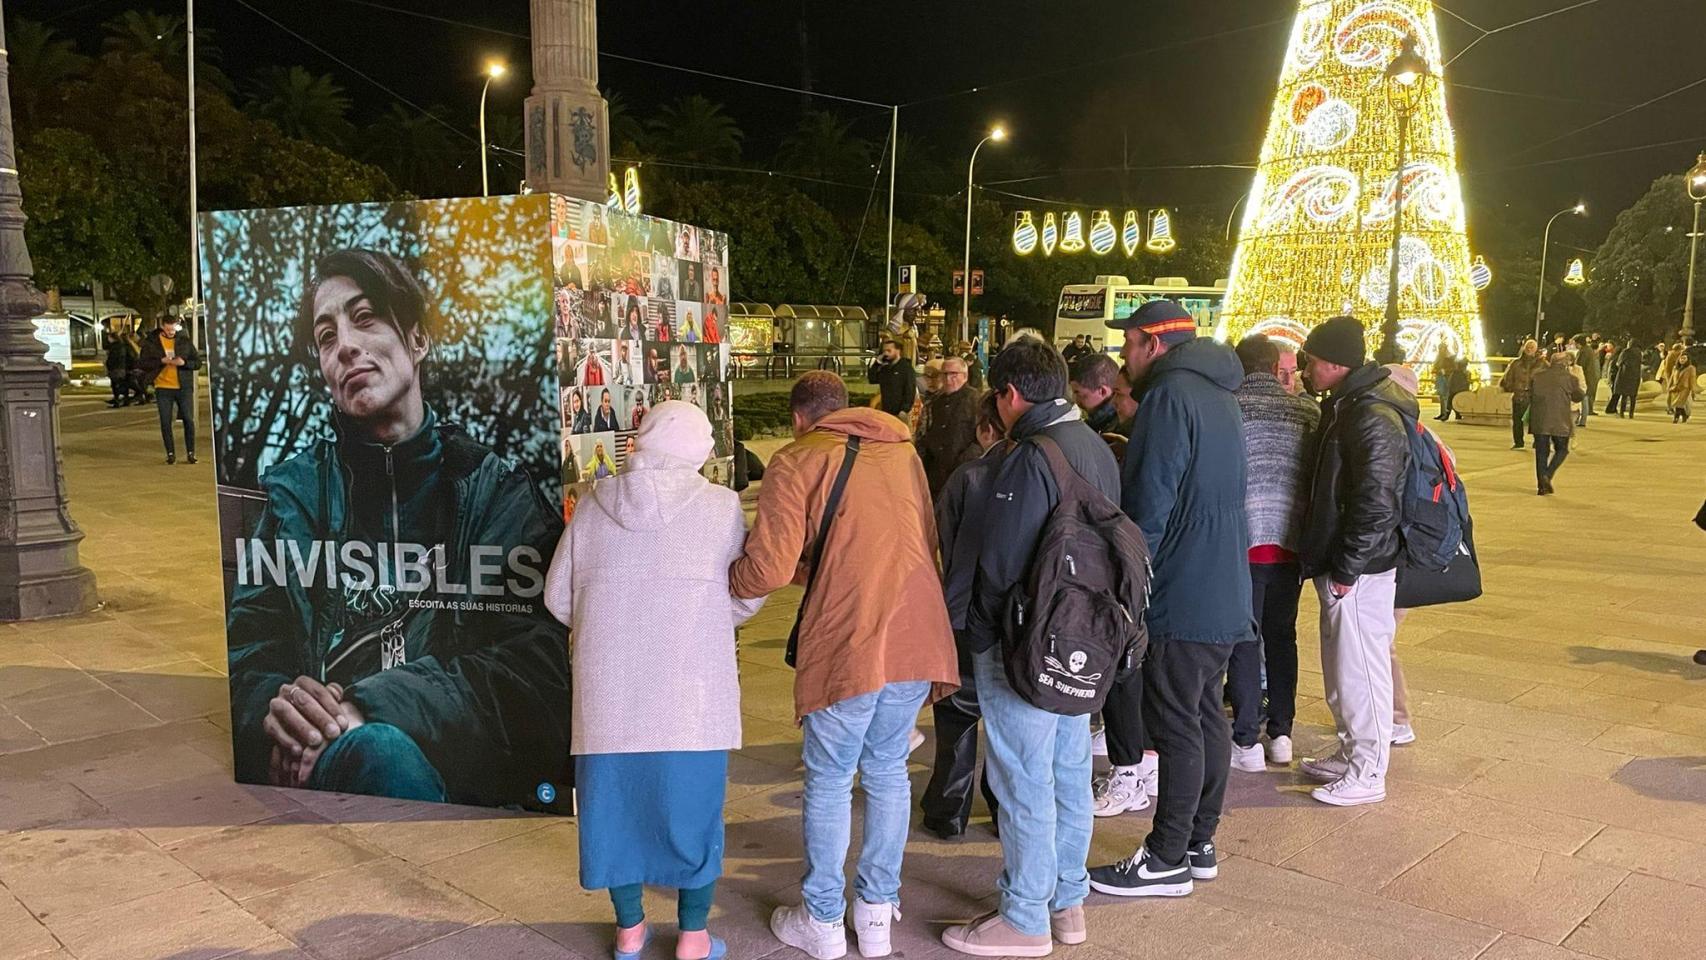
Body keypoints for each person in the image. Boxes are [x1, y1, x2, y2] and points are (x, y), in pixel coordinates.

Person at [226, 248, 570, 806]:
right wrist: (281, 711)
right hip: (325, 755)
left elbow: (537, 663)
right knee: (372, 753)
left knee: (381, 751)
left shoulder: (493, 490)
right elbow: (251, 647)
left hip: (458, 759)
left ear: (417, 340)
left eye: (364, 318)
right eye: (326, 337)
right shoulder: (297, 495)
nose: (345, 346)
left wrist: (372, 704)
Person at [730, 372, 957, 960]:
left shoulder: (797, 458)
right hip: (916, 631)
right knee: (887, 773)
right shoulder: (902, 451)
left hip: (849, 636)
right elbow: (913, 539)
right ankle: (877, 915)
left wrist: (726, 582)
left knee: (831, 779)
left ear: (801, 417)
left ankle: (824, 919)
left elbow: (770, 568)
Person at [545, 401, 759, 960]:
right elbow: (746, 593)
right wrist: (711, 615)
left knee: (614, 816)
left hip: (609, 697)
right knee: (694, 816)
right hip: (692, 695)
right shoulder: (722, 507)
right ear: (694, 447)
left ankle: (629, 931)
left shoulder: (593, 505)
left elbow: (556, 597)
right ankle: (692, 937)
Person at [940, 336, 1119, 957]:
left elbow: (1000, 562)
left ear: (1009, 394)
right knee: (1069, 771)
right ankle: (1066, 903)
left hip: (1026, 644)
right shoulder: (1094, 445)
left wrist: (982, 641)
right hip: (1079, 637)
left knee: (1021, 780)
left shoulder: (1029, 455)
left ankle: (1023, 918)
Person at [1087, 301, 1251, 898]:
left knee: (1177, 722)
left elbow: (1149, 506)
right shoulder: (1220, 394)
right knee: (1205, 716)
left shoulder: (1168, 398)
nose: (1124, 357)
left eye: (1129, 343)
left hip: (1183, 589)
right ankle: (1198, 842)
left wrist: (1127, 583)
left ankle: (1164, 858)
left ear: (1154, 342)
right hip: (1223, 586)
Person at [1294, 316, 1410, 807]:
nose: (1304, 370)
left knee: (1361, 669)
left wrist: (1348, 568)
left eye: (1311, 361)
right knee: (1344, 668)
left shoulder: (1371, 416)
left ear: (1335, 364)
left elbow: (1377, 503)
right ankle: (1351, 753)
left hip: (1361, 568)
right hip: (1344, 563)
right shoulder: (1349, 406)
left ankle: (1367, 771)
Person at [1226, 335, 1319, 772]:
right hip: (1290, 543)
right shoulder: (1306, 412)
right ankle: (1281, 733)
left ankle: (1245, 740)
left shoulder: (1228, 409)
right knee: (1282, 637)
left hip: (1240, 544)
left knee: (1245, 640)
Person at [921, 390, 1008, 843]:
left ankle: (948, 809)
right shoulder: (1036, 473)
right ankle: (1000, 808)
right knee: (1004, 720)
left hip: (961, 609)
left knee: (955, 715)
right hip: (1009, 618)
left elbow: (945, 543)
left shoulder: (966, 477)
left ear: (984, 429)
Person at [136, 315, 201, 465]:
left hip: (183, 387)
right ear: (162, 327)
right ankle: (170, 453)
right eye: (168, 329)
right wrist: (160, 361)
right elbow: (142, 363)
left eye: (173, 329)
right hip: (163, 387)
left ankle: (191, 453)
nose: (171, 332)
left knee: (188, 420)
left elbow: (197, 362)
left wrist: (184, 363)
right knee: (165, 421)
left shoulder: (184, 341)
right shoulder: (152, 343)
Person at [917, 357, 982, 499]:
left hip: (963, 474)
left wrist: (963, 463)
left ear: (964, 376)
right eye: (944, 374)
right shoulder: (936, 402)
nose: (948, 379)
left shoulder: (975, 400)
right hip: (936, 477)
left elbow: (982, 438)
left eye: (954, 374)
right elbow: (926, 434)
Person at [1499, 339, 1545, 450]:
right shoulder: (1516, 363)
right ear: (1524, 348)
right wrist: (1511, 387)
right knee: (1517, 420)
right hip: (1519, 395)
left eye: (1532, 347)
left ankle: (1537, 441)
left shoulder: (1542, 364)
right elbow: (1508, 378)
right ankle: (1518, 442)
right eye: (1528, 347)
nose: (1529, 349)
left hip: (1535, 396)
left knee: (1537, 420)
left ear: (1536, 349)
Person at [1067, 353, 1126, 436]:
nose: (1074, 399)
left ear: (1102, 391)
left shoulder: (1118, 433)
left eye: (1077, 392)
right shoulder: (1100, 423)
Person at [867, 339, 917, 418]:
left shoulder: (906, 368)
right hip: (886, 410)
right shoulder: (885, 368)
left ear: (898, 351)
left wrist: (904, 409)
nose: (886, 353)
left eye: (889, 350)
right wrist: (877, 364)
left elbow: (910, 389)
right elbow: (872, 379)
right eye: (884, 351)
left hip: (899, 411)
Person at [103, 319, 133, 408]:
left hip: (115, 368)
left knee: (115, 385)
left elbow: (113, 358)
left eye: (109, 337)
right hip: (121, 367)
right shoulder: (122, 346)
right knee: (122, 383)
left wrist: (108, 365)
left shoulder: (115, 347)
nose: (108, 339)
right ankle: (125, 399)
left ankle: (117, 401)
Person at [1611, 338, 1642, 418]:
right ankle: (1631, 414)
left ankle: (1622, 413)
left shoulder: (1626, 351)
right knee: (1633, 396)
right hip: (1635, 376)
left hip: (1625, 375)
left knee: (1624, 395)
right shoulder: (1639, 353)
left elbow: (1619, 363)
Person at [1575, 335, 1601, 427]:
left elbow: (1579, 365)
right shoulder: (1588, 350)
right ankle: (1581, 419)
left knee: (1583, 398)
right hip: (1589, 377)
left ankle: (1582, 420)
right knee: (1584, 398)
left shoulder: (1584, 351)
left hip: (1585, 377)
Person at [1668, 352, 1697, 424]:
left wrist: (1693, 390)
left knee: (1678, 403)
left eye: (1684, 358)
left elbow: (1692, 379)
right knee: (1678, 404)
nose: (1682, 360)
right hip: (1675, 388)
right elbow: (1672, 378)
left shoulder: (1691, 368)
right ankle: (1684, 415)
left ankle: (1676, 418)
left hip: (1685, 388)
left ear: (1687, 359)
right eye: (1681, 358)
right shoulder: (1675, 368)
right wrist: (1669, 386)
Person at [1431, 346, 1457, 422]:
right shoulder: (1438, 357)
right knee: (1442, 396)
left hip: (1446, 378)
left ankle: (1446, 413)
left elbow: (1453, 368)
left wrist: (1445, 371)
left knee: (1445, 396)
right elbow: (1435, 366)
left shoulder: (1449, 358)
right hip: (1440, 377)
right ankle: (1442, 413)